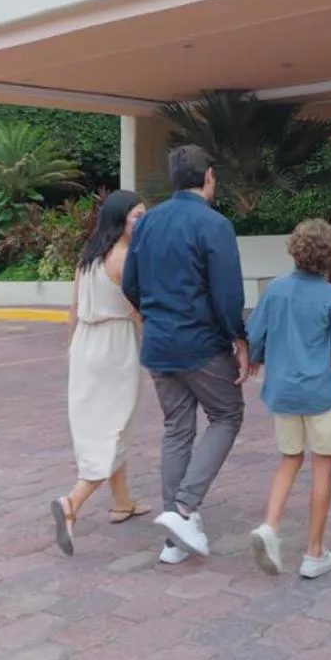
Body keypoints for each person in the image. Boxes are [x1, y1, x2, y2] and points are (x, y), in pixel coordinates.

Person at [121, 145, 249, 565]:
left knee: (177, 429)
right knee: (227, 415)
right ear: (209, 176)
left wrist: (156, 314)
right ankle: (183, 509)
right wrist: (240, 338)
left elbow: (130, 285)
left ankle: (175, 541)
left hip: (158, 343)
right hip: (200, 343)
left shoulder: (147, 223)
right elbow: (228, 294)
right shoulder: (214, 225)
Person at [247, 220, 331, 580]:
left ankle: (269, 526)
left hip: (282, 391)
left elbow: (255, 333)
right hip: (318, 393)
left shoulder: (275, 289)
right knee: (323, 466)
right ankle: (314, 552)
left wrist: (255, 356)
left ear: (295, 249)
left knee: (289, 459)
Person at [50, 191, 149, 557]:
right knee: (116, 424)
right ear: (120, 219)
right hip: (114, 345)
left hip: (86, 345)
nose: (142, 222)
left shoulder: (88, 257)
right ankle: (72, 503)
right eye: (137, 216)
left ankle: (122, 501)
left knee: (105, 422)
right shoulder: (124, 260)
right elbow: (139, 312)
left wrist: (72, 346)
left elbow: (74, 308)